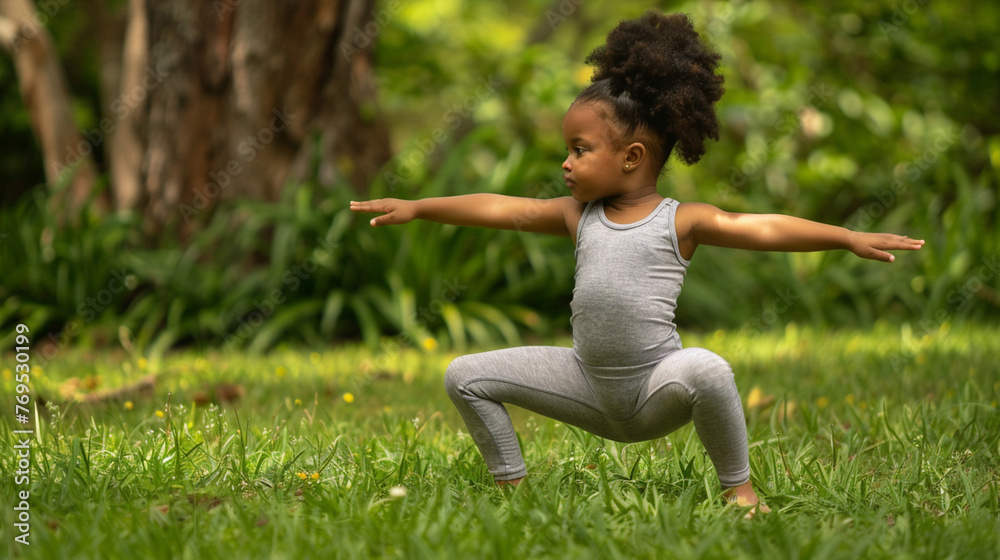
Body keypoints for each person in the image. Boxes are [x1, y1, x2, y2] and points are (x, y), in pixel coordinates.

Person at [349, 11, 923, 515]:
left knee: (709, 369)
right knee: (464, 375)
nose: (567, 164)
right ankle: (512, 489)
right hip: (586, 385)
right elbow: (503, 207)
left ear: (632, 157)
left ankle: (739, 490)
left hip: (654, 389)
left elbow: (760, 226)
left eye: (579, 149)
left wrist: (844, 236)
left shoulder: (681, 220)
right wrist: (419, 206)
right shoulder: (578, 215)